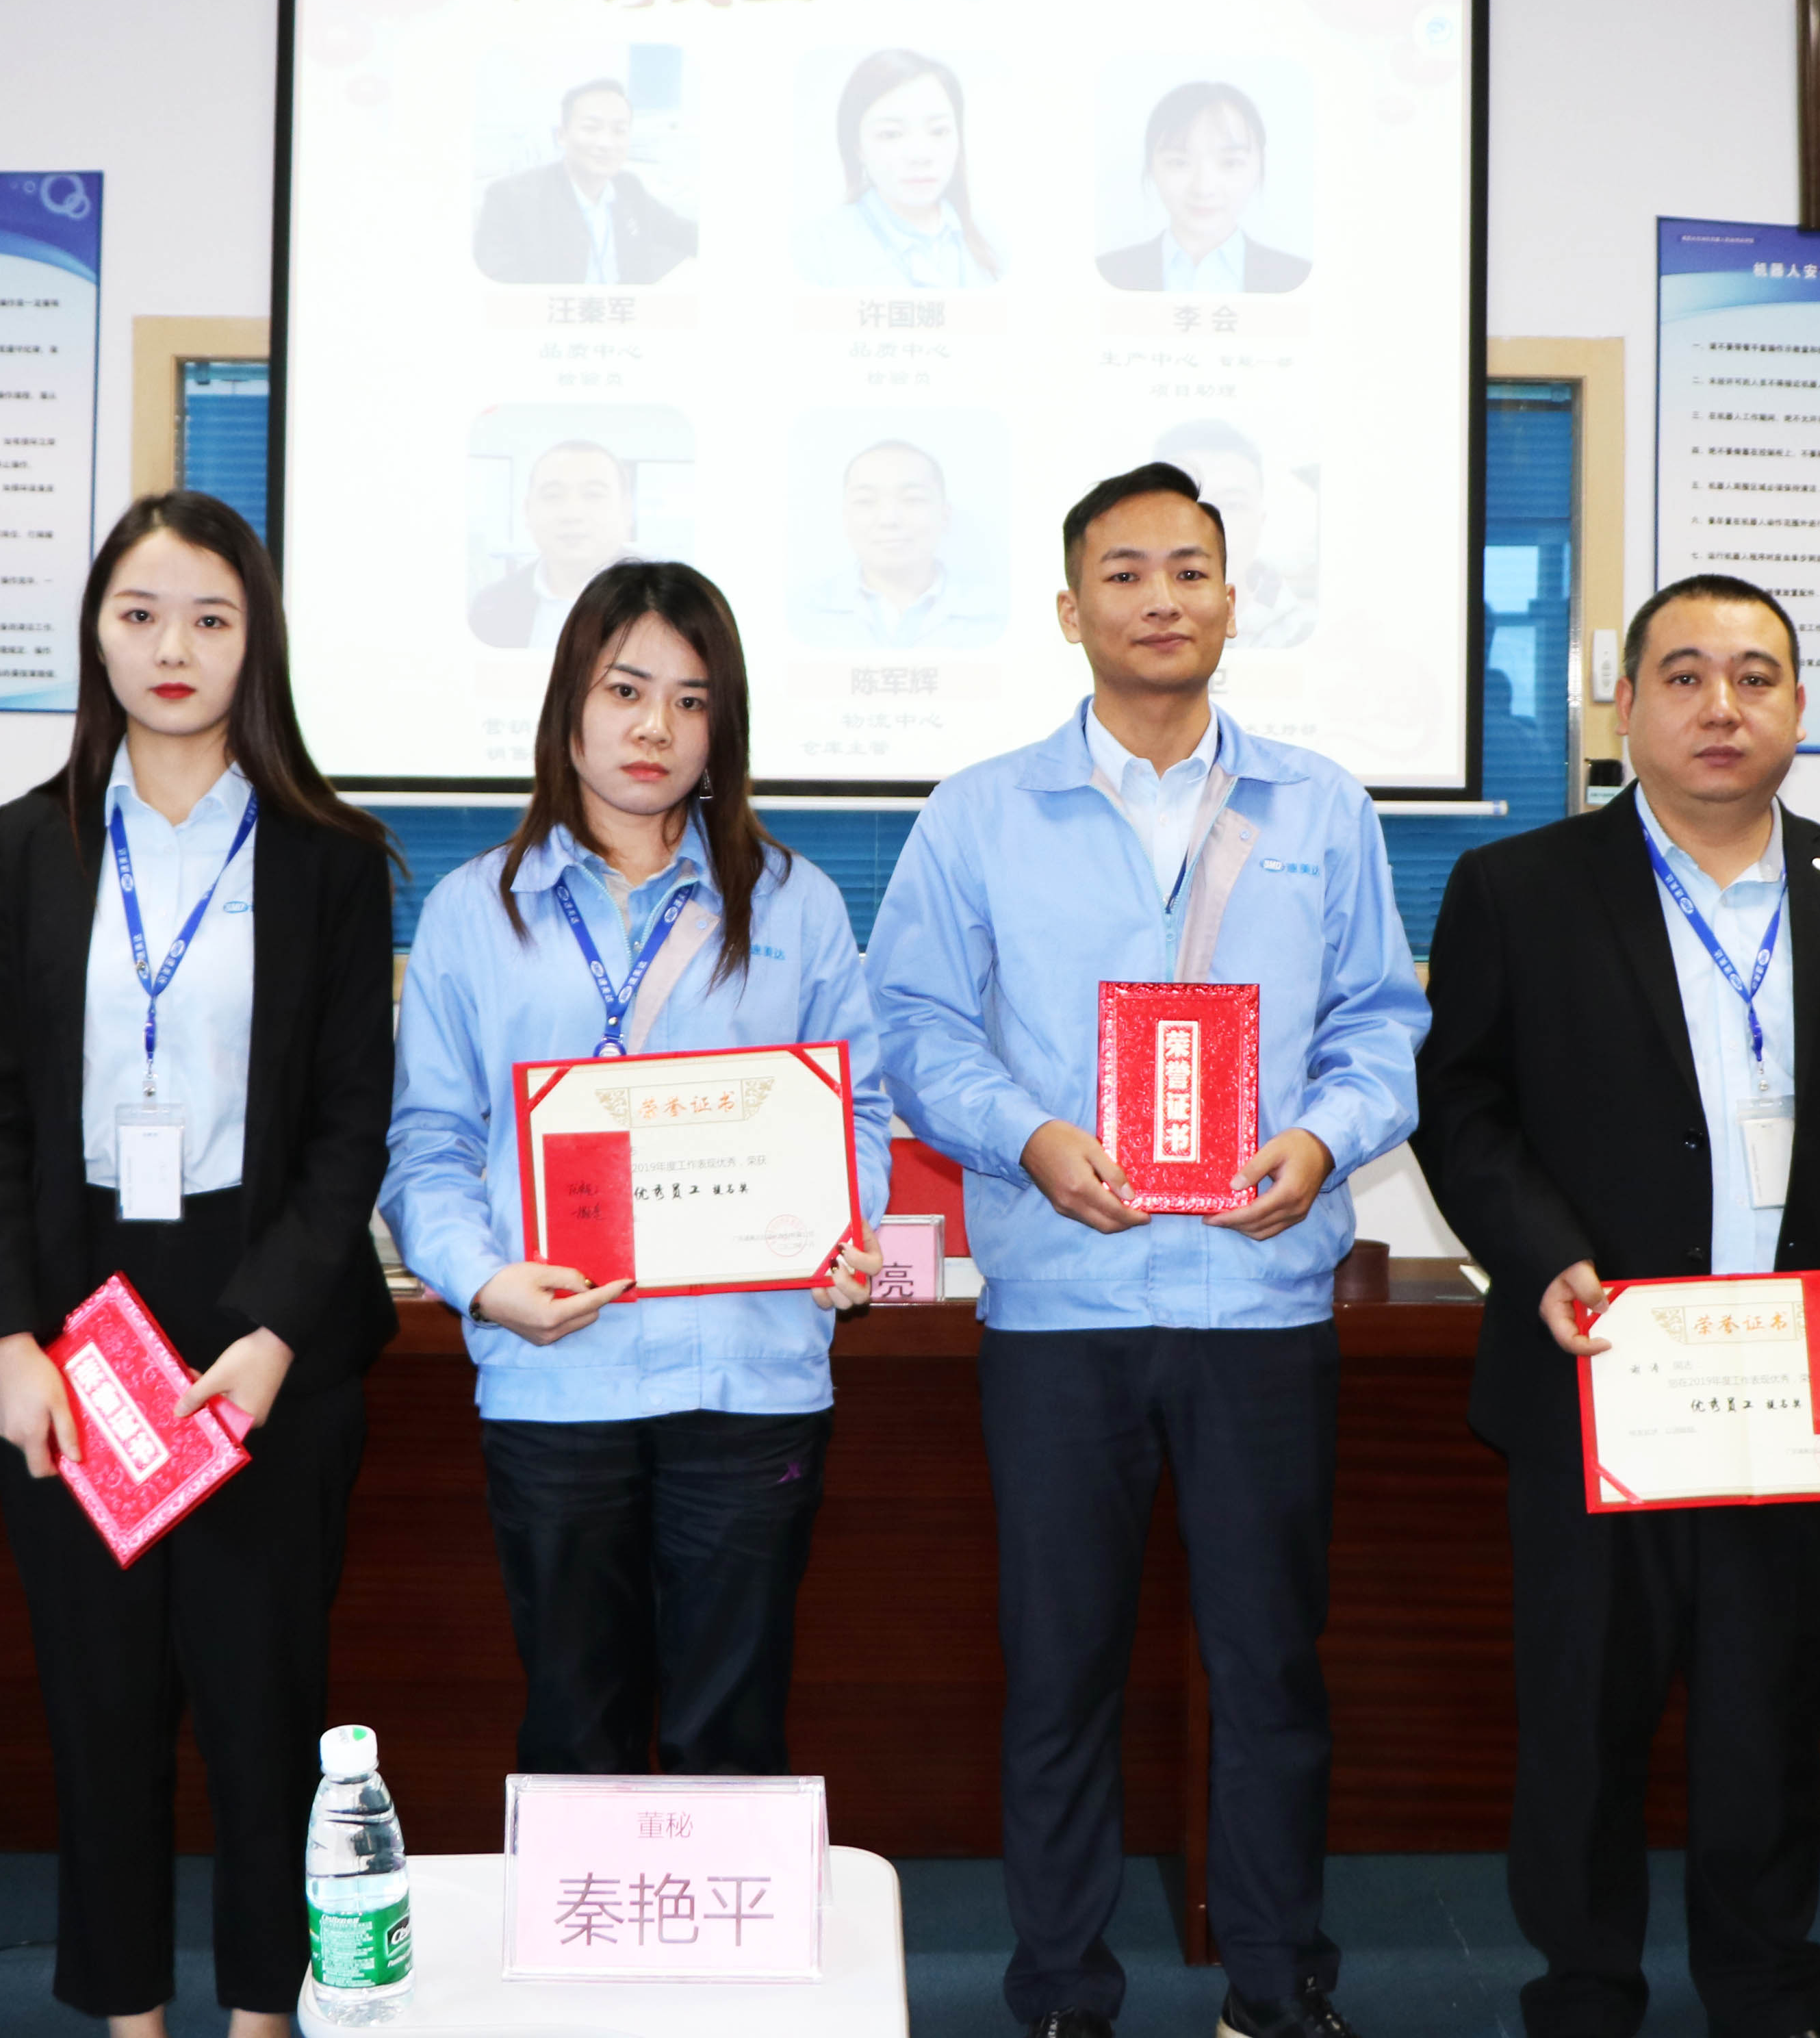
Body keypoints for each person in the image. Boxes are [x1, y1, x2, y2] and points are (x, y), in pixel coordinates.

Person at [867, 460, 1428, 2038]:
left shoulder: (1320, 805)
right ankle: (1061, 1988)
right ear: (1070, 609)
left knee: (1271, 1671)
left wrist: (1322, 1138)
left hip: (1259, 1301)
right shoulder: (982, 811)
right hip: (1064, 1304)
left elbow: (1382, 1020)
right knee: (1060, 1674)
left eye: (1189, 568)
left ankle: (1275, 1982)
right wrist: (1029, 1137)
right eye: (1124, 572)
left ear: (1234, 602)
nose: (1160, 597)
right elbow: (915, 1024)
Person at [1414, 573, 1820, 2038]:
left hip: (1806, 1378)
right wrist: (1541, 1255)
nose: (1723, 705)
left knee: (1769, 1719)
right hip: (1606, 1364)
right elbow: (1462, 1106)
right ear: (1626, 703)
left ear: (1799, 705)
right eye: (1685, 675)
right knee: (1584, 1720)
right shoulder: (1519, 888)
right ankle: (1585, 1990)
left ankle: (1769, 1988)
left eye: (1756, 676)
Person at [0, 492, 402, 2037]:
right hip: (81, 1312)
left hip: (265, 1313)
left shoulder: (332, 856)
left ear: (256, 641)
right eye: (140, 613)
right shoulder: (31, 841)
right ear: (98, 634)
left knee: (265, 1706)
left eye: (211, 615)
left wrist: (273, 1330)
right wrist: (8, 1336)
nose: (173, 647)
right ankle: (128, 2014)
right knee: (103, 1704)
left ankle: (268, 2013)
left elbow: (350, 1124)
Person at [385, 561, 893, 1779]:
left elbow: (859, 1111)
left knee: (733, 1734)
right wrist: (480, 1281)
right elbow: (429, 1140)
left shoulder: (797, 904)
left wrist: (843, 1227)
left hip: (749, 1376)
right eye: (626, 690)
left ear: (723, 730)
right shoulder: (473, 911)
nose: (656, 725)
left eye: (691, 699)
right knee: (576, 1732)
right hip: (557, 1378)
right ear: (570, 703)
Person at [793, 48, 1004, 290]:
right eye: (891, 134)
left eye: (939, 131)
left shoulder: (993, 240)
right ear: (857, 147)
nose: (920, 155)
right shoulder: (814, 250)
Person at [474, 77, 700, 288]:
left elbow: (683, 233)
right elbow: (500, 293)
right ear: (562, 136)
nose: (606, 143)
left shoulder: (628, 187)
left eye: (619, 131)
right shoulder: (512, 199)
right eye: (591, 128)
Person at [792, 435, 1007, 649]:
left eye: (912, 499)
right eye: (866, 501)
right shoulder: (796, 616)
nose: (889, 520)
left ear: (945, 516)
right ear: (845, 517)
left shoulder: (1002, 616)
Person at [1099, 80, 1311, 294]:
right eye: (1179, 163)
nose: (1203, 188)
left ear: (1260, 166)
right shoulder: (1106, 277)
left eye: (1230, 163)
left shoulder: (1299, 280)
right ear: (1151, 166)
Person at [1156, 418, 1317, 648]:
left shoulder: (1306, 634)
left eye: (1232, 505)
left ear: (1260, 522)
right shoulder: (1119, 628)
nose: (1207, 525)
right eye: (1184, 504)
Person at [469, 435, 639, 648]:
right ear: (528, 511)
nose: (572, 514)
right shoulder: (491, 607)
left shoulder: (667, 603)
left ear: (626, 510)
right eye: (553, 496)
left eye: (593, 495)